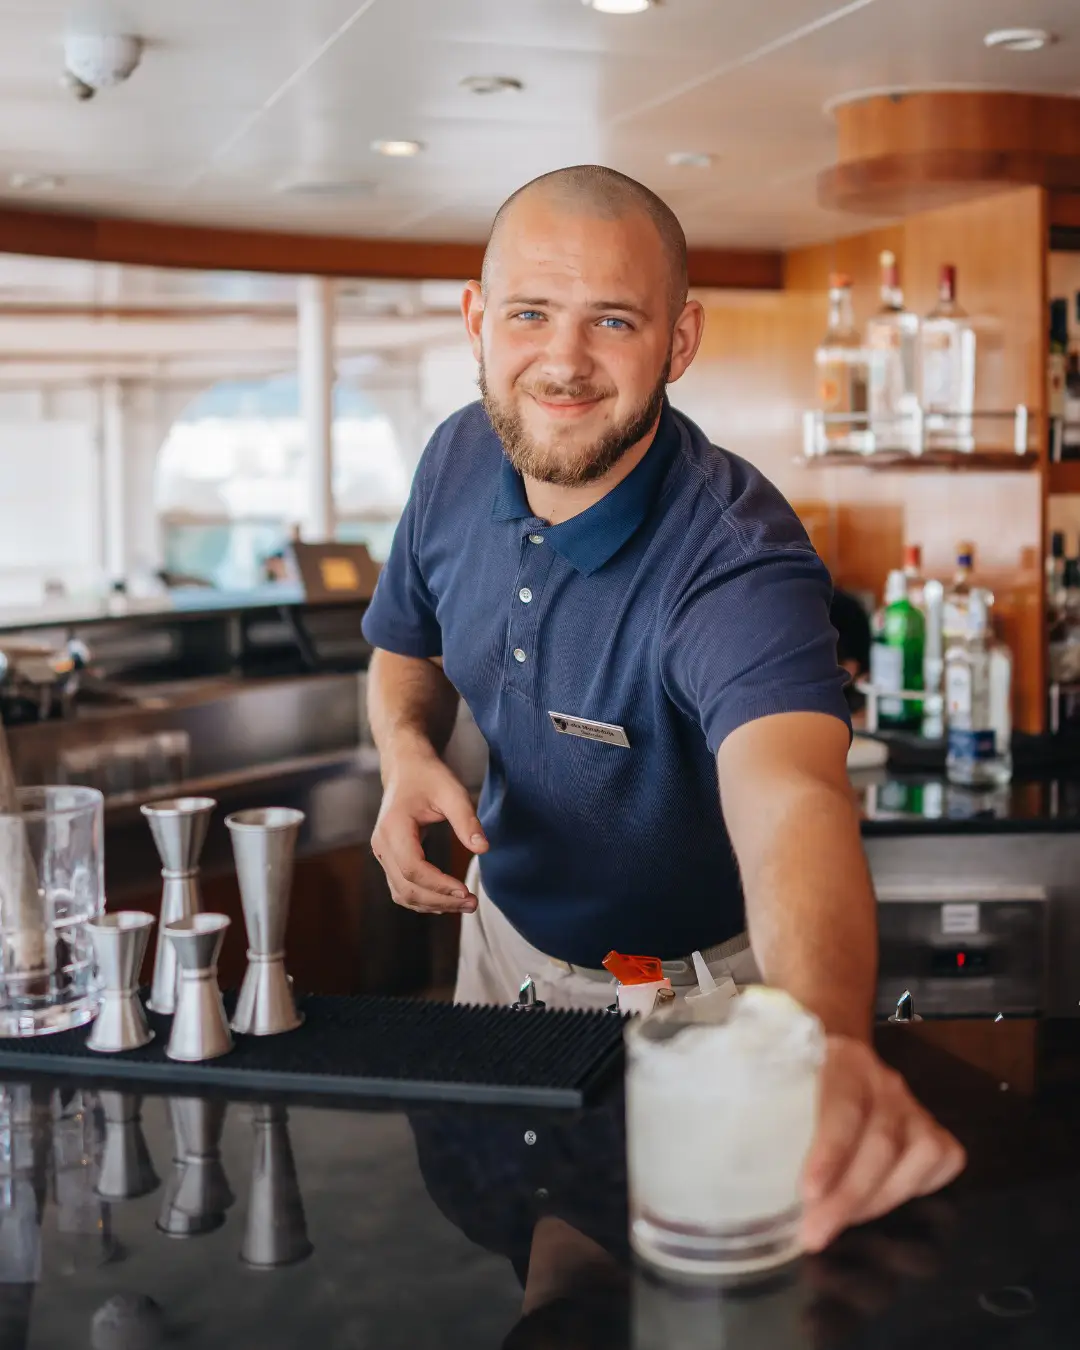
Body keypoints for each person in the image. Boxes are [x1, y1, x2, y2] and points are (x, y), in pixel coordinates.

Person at [362, 164, 965, 1253]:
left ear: (679, 341)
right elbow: (406, 643)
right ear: (476, 319)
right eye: (530, 314)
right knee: (516, 1260)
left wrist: (828, 1043)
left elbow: (793, 798)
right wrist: (406, 750)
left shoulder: (735, 557)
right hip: (499, 955)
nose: (563, 361)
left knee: (688, 1294)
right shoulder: (458, 454)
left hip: (698, 1005)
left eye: (613, 320)